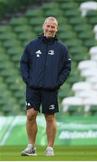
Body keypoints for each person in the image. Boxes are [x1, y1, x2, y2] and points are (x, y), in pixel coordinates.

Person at [20, 16, 71, 156]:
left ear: (57, 29)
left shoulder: (61, 48)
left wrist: (57, 82)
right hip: (33, 87)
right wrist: (28, 80)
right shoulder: (32, 45)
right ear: (43, 27)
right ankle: (31, 147)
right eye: (48, 26)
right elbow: (23, 63)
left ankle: (50, 147)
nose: (50, 29)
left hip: (50, 88)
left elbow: (67, 67)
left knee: (50, 117)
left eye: (53, 27)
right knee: (31, 114)